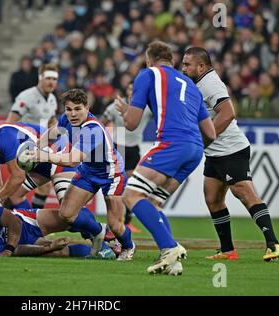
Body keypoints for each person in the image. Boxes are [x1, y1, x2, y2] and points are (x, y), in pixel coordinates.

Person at [116, 41, 216, 274]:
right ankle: (173, 263)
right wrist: (193, 146)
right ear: (171, 61)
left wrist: (126, 111)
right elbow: (210, 132)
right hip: (194, 150)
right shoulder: (191, 85)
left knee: (131, 195)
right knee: (154, 203)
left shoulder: (147, 74)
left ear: (149, 60)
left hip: (172, 143)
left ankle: (169, 246)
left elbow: (131, 124)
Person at [182, 46, 279, 261]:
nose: (183, 68)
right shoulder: (198, 83)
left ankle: (273, 244)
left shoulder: (210, 82)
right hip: (215, 153)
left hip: (231, 150)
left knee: (244, 193)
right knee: (213, 198)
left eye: (187, 64)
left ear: (201, 66)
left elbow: (228, 113)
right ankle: (228, 250)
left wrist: (205, 139)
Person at [29, 88, 135, 260]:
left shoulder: (92, 129)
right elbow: (53, 133)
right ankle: (101, 230)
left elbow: (72, 160)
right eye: (69, 109)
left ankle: (128, 247)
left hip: (111, 174)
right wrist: (35, 148)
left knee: (116, 225)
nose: (73, 113)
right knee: (67, 215)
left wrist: (44, 155)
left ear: (87, 107)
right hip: (88, 170)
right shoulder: (66, 119)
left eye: (78, 109)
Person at [0, 114, 75, 210]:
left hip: (58, 152)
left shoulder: (2, 135)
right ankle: (33, 232)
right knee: (15, 196)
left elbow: (18, 176)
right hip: (41, 161)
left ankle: (92, 232)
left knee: (68, 211)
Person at [0, 197, 116, 258]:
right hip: (21, 241)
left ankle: (97, 233)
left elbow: (14, 222)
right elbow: (18, 250)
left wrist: (8, 249)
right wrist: (49, 247)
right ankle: (105, 252)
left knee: (69, 217)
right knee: (59, 252)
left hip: (25, 221)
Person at [7, 63, 59, 209]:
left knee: (44, 186)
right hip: (22, 148)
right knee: (16, 187)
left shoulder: (52, 99)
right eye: (48, 78)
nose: (51, 82)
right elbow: (10, 122)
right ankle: (7, 219)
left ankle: (33, 221)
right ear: (40, 78)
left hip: (38, 149)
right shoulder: (27, 96)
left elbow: (52, 122)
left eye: (54, 79)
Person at [102, 82, 150, 233]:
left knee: (131, 186)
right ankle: (115, 219)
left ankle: (127, 222)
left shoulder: (147, 107)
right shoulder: (117, 105)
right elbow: (103, 121)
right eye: (130, 89)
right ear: (127, 91)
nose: (132, 92)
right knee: (117, 184)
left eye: (135, 90)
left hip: (134, 148)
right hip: (119, 145)